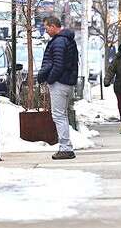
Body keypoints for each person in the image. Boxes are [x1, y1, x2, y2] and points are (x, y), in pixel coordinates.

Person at [37, 16, 78, 160]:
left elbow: (58, 65)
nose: (46, 30)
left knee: (58, 116)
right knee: (62, 115)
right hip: (67, 82)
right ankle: (66, 147)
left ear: (54, 26)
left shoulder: (59, 42)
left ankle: (65, 148)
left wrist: (50, 79)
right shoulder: (67, 40)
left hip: (60, 83)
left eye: (47, 27)